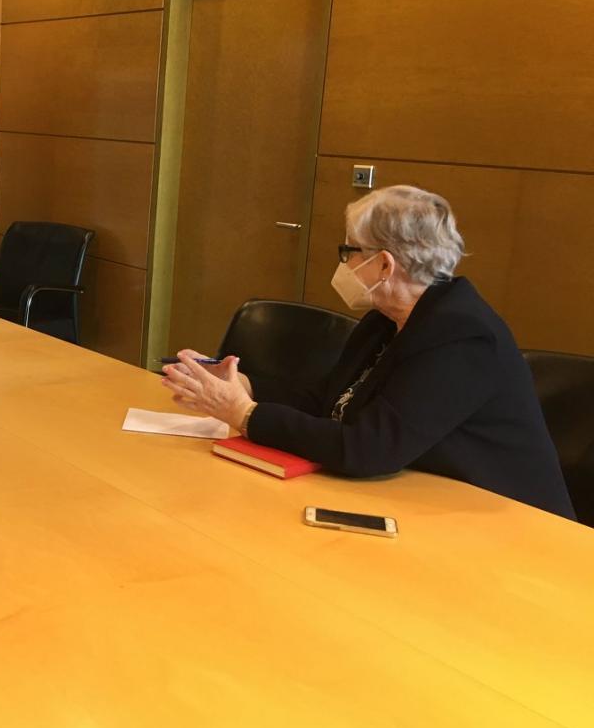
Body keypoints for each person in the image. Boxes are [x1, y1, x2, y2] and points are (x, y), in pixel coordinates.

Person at [161, 185, 575, 519]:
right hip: (430, 507)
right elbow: (326, 402)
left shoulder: (464, 336)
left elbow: (368, 449)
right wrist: (243, 385)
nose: (343, 263)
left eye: (349, 251)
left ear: (384, 265)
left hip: (514, 529)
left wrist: (243, 415)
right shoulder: (388, 318)